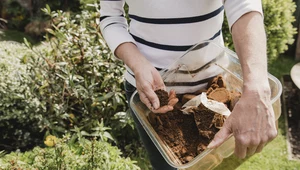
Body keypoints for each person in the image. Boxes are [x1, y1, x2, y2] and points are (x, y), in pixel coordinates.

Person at [99, 0, 277, 169]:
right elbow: (110, 17)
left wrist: (257, 90)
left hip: (214, 90)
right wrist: (138, 64)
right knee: (166, 167)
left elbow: (243, 4)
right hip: (151, 95)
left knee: (215, 164)